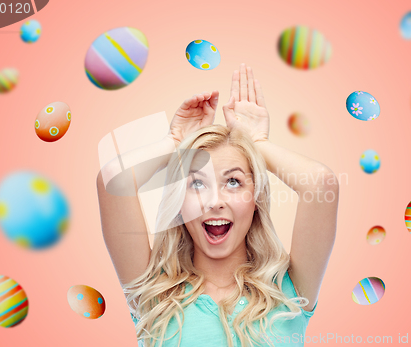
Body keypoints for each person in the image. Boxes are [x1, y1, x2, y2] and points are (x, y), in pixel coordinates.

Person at [96, 64, 339, 347]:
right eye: (197, 184)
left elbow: (321, 184)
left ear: (256, 199)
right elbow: (113, 178)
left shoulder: (290, 290)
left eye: (234, 182)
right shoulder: (154, 295)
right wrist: (175, 142)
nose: (214, 202)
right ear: (180, 204)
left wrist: (256, 142)